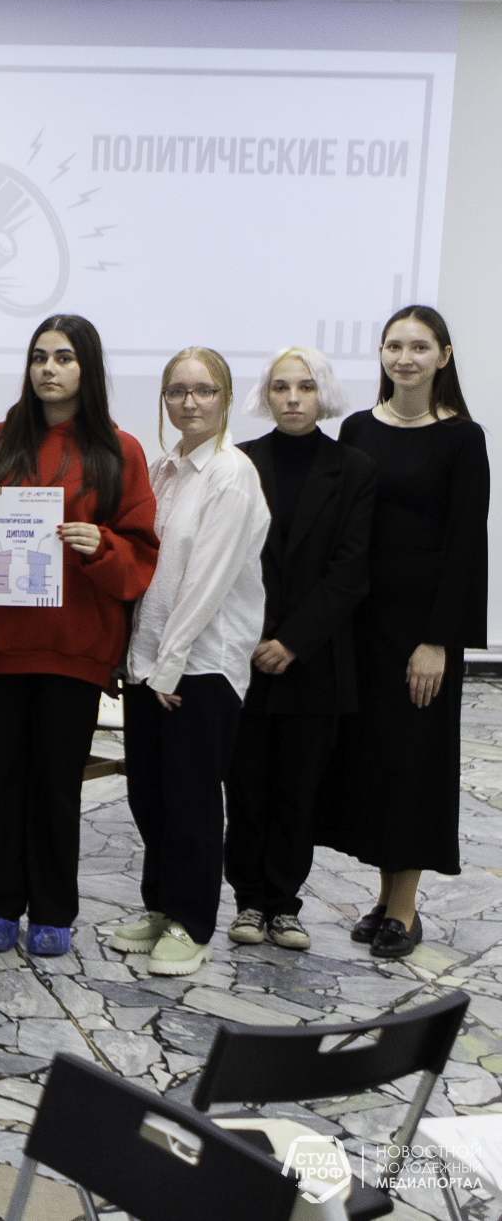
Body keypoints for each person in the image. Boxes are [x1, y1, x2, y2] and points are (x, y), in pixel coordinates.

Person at [0, 314, 157, 958]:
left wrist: (101, 545)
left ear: (88, 368)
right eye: (39, 357)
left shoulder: (120, 451)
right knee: (1, 780)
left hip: (74, 647)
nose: (48, 369)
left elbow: (140, 556)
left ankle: (54, 909)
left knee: (57, 784)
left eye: (63, 357)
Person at [320, 306, 489, 960]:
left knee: (413, 763)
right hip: (361, 624)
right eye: (395, 345)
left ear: (443, 356)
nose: (405, 357)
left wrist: (439, 640)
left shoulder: (462, 438)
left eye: (420, 347)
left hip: (421, 632)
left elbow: (466, 547)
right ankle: (384, 897)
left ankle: (405, 909)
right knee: (371, 762)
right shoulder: (358, 428)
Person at [109, 349, 269, 977]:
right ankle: (160, 907)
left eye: (204, 390)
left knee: (192, 801)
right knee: (150, 797)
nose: (189, 402)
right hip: (152, 664)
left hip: (199, 667)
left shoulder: (232, 474)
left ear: (225, 397)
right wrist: (138, 660)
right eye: (177, 391)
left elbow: (206, 582)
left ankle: (192, 923)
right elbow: (148, 570)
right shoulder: (163, 469)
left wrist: (169, 666)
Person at [226, 347, 374, 955]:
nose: (292, 398)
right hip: (243, 652)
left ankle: (284, 906)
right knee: (246, 788)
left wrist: (291, 641)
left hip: (313, 662)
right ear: (266, 396)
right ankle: (248, 901)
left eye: (305, 387)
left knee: (298, 790)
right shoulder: (240, 461)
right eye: (281, 386)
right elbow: (226, 561)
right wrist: (258, 636)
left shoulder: (354, 469)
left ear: (323, 395)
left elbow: (351, 570)